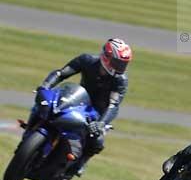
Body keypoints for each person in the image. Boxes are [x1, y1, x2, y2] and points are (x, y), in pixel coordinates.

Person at [32, 38, 132, 172]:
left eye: (124, 64)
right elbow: (61, 73)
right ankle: (30, 128)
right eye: (118, 63)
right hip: (76, 98)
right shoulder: (87, 60)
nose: (121, 68)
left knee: (98, 140)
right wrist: (45, 86)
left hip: (97, 112)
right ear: (106, 57)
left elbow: (113, 105)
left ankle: (80, 164)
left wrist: (101, 123)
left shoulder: (120, 80)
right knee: (46, 105)